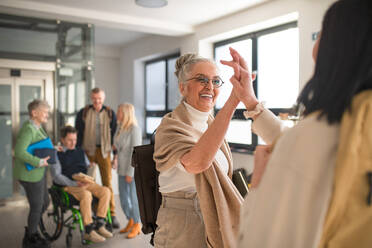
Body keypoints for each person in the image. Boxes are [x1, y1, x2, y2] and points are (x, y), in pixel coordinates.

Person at [220, 0, 372, 247]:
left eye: (321, 33)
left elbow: (260, 240)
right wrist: (250, 101)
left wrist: (257, 184)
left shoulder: (314, 138)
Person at [153, 53, 243, 248]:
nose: (209, 86)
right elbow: (197, 162)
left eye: (215, 81)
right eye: (201, 79)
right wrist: (233, 101)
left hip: (214, 214)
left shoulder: (211, 124)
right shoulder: (169, 127)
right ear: (182, 87)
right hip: (183, 221)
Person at [50, 125, 113, 243]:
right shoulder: (56, 153)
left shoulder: (80, 151)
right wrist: (74, 183)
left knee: (106, 191)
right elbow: (57, 177)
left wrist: (91, 168)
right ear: (62, 139)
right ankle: (88, 231)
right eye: (69, 140)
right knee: (86, 195)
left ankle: (100, 224)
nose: (73, 143)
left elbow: (87, 164)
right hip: (69, 185)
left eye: (75, 139)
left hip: (84, 182)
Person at [75, 87, 119, 228]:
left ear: (103, 98)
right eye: (94, 98)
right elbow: (78, 133)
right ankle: (94, 212)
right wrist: (79, 154)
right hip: (88, 152)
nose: (97, 101)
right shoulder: (83, 112)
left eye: (99, 98)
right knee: (88, 182)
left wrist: (115, 156)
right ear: (91, 98)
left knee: (107, 183)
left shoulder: (110, 113)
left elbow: (114, 136)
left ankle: (112, 214)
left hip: (105, 152)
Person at [14, 99, 51, 248]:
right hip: (30, 174)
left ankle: (32, 230)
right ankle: (30, 238)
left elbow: (39, 145)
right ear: (34, 113)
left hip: (39, 173)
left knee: (45, 203)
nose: (47, 115)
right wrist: (39, 162)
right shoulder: (29, 128)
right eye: (45, 111)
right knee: (37, 206)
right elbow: (19, 152)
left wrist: (54, 148)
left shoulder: (38, 127)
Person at [112, 103, 142, 238]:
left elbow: (135, 152)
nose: (117, 114)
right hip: (120, 169)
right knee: (123, 199)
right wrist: (115, 159)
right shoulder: (120, 127)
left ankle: (137, 224)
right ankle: (130, 219)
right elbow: (118, 148)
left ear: (125, 114)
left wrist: (131, 172)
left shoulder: (134, 130)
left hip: (131, 170)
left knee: (134, 199)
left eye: (119, 112)